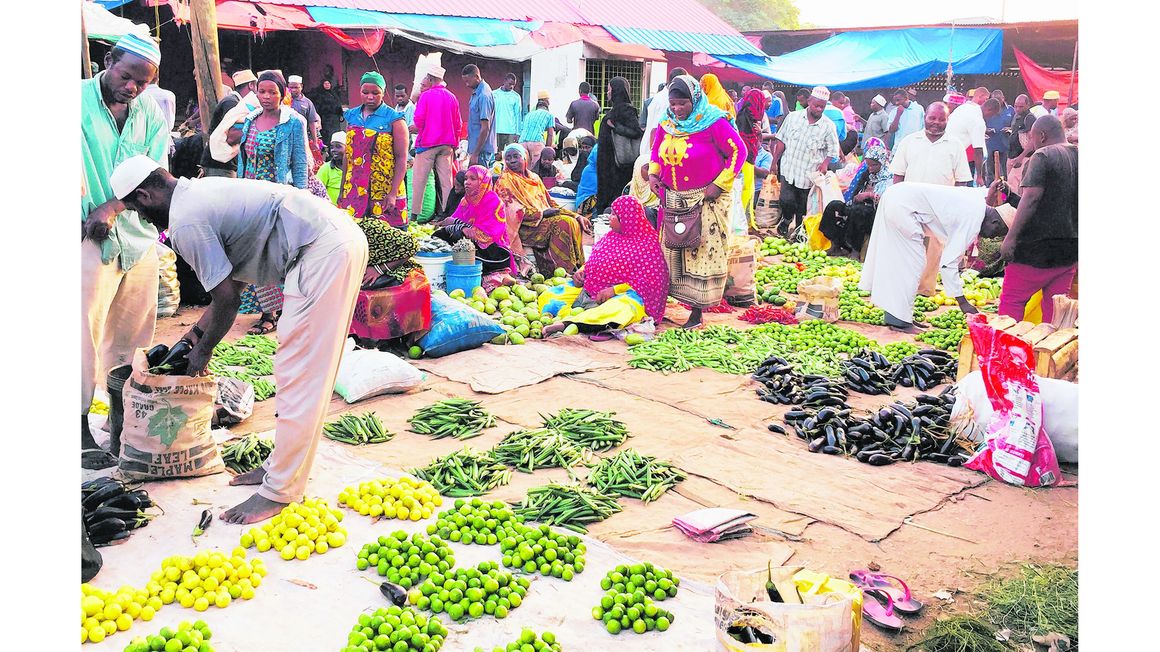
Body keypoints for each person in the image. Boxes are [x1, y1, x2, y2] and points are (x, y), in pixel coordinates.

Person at [109, 157, 367, 524]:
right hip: (328, 241)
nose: (143, 219)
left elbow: (227, 299)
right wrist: (194, 335)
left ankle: (280, 491)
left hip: (322, 251)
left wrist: (202, 351)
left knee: (301, 372)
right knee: (296, 370)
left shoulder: (185, 221)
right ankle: (279, 469)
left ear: (145, 195)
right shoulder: (198, 193)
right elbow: (231, 283)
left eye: (136, 209)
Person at [81, 33, 169, 470]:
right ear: (108, 60)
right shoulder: (74, 103)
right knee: (80, 332)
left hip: (136, 235)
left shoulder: (151, 112)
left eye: (143, 82)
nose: (132, 88)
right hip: (85, 236)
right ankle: (77, 427)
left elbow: (153, 172)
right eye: (126, 75)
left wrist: (114, 206)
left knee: (134, 338)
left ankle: (121, 421)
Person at [647, 75, 746, 329]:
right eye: (673, 104)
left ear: (695, 99)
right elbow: (656, 151)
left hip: (705, 199)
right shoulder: (667, 122)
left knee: (700, 254)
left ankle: (696, 312)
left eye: (683, 104)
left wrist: (719, 184)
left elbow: (738, 151)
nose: (677, 109)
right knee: (671, 253)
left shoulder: (713, 122)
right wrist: (653, 175)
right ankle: (663, 303)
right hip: (673, 198)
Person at [859, 182, 1010, 332]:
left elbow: (987, 193)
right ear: (995, 222)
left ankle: (899, 316)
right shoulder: (974, 219)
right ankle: (900, 321)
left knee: (903, 261)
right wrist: (963, 303)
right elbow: (948, 263)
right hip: (903, 205)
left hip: (899, 198)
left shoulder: (977, 202)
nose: (991, 237)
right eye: (996, 233)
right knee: (912, 262)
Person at [234, 71, 310, 336]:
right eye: (262, 92)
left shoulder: (292, 123)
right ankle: (267, 309)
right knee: (254, 253)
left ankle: (274, 313)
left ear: (282, 94)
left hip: (278, 198)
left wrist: (301, 199)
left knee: (276, 254)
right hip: (251, 198)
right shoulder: (251, 121)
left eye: (272, 92)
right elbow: (243, 160)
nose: (266, 97)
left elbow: (299, 163)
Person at [543, 196, 670, 338]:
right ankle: (578, 317)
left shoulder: (648, 245)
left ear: (627, 219)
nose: (610, 217)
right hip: (591, 291)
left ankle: (570, 323)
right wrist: (582, 271)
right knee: (549, 295)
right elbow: (595, 261)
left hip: (624, 297)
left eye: (615, 214)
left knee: (621, 310)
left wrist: (614, 290)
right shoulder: (611, 237)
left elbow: (650, 283)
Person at [995, 115, 1078, 324]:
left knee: (1012, 304)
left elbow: (1032, 199)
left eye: (1032, 137)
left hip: (1034, 250)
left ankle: (1006, 355)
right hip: (1068, 252)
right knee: (1056, 312)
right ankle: (1050, 353)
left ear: (1041, 135)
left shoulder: (1042, 156)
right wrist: (1009, 194)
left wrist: (1010, 239)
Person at [496, 143, 588, 275]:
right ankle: (559, 272)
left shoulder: (534, 178)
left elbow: (550, 203)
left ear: (525, 158)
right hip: (522, 227)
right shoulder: (505, 180)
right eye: (508, 157)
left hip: (541, 220)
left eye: (516, 156)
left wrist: (576, 216)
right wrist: (541, 213)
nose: (512, 160)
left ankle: (576, 269)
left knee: (573, 222)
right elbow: (510, 211)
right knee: (563, 223)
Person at [340, 71, 410, 227]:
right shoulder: (351, 116)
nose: (370, 97)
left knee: (387, 236)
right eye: (365, 92)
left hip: (384, 188)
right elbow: (348, 155)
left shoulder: (394, 119)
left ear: (383, 93)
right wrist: (342, 189)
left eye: (375, 93)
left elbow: (401, 158)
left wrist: (392, 193)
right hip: (355, 187)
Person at [770, 86, 840, 238]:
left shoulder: (828, 126)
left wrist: (825, 164)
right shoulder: (793, 118)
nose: (819, 109)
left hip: (809, 174)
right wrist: (774, 162)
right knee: (786, 200)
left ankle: (799, 233)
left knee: (803, 206)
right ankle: (787, 219)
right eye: (816, 105)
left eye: (822, 106)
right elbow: (781, 141)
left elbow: (833, 150)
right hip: (790, 168)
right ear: (809, 101)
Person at [434, 165, 519, 277]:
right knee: (439, 235)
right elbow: (451, 221)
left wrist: (460, 226)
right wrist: (457, 225)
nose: (467, 182)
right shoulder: (465, 201)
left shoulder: (493, 202)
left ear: (484, 181)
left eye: (473, 179)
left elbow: (487, 235)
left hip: (492, 251)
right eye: (466, 179)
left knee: (457, 235)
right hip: (469, 243)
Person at [819, 140, 892, 258]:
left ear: (882, 163)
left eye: (874, 165)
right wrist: (857, 198)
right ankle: (835, 246)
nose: (871, 168)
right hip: (858, 206)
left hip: (874, 213)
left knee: (859, 211)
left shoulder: (889, 177)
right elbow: (855, 193)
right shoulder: (866, 174)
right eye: (868, 165)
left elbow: (885, 200)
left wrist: (869, 195)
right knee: (834, 206)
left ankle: (855, 250)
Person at [411, 66, 462, 226]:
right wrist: (455, 144)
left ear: (431, 79)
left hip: (427, 143)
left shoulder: (425, 96)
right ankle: (447, 214)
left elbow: (419, 120)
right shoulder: (452, 97)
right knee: (447, 181)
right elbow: (458, 123)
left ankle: (414, 216)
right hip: (447, 145)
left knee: (420, 180)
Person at [594, 77, 645, 215]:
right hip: (608, 164)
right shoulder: (616, 109)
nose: (607, 92)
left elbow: (636, 131)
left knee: (615, 197)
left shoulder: (626, 110)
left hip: (617, 167)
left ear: (617, 91)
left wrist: (616, 127)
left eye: (610, 89)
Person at [890, 102, 972, 187]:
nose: (936, 122)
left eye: (942, 119)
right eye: (932, 118)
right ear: (925, 117)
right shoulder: (908, 142)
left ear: (948, 120)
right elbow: (898, 176)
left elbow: (961, 181)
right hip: (912, 199)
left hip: (942, 199)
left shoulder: (956, 145)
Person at [201, 69, 257, 178]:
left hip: (225, 162)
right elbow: (232, 135)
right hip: (220, 164)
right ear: (251, 85)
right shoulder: (232, 103)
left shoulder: (235, 102)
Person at [736, 88, 767, 224]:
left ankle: (746, 220)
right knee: (745, 189)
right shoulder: (745, 117)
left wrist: (759, 132)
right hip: (745, 158)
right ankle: (741, 222)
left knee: (749, 188)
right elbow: (744, 139)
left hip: (748, 158)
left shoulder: (750, 116)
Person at [641, 68, 687, 159]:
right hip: (652, 153)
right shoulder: (666, 100)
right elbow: (655, 130)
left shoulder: (661, 96)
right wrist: (655, 158)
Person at [944, 92, 988, 186]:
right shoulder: (976, 119)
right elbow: (978, 150)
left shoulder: (963, 109)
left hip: (964, 157)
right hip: (959, 158)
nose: (947, 106)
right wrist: (979, 177)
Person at [462, 64, 497, 167]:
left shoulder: (484, 95)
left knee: (479, 181)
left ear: (476, 77)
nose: (466, 85)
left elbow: (485, 128)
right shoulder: (476, 92)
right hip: (476, 147)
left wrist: (476, 153)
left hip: (481, 150)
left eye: (468, 81)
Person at [519, 91, 556, 170]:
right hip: (536, 142)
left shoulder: (528, 114)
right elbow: (550, 134)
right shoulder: (549, 115)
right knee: (536, 169)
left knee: (525, 169)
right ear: (546, 107)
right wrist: (548, 149)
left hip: (522, 142)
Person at [983, 97, 1013, 185]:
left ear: (1003, 98)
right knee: (990, 171)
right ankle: (990, 190)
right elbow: (980, 125)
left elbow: (1015, 126)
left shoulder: (1010, 110)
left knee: (1004, 170)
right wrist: (987, 130)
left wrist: (1009, 129)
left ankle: (1004, 191)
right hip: (990, 144)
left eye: (999, 101)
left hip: (1004, 145)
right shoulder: (987, 110)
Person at [287, 75, 321, 143]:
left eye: (296, 87)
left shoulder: (307, 103)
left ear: (301, 86)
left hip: (303, 138)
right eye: (291, 87)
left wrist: (315, 141)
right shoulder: (282, 101)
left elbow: (312, 123)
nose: (293, 90)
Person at [494, 73, 523, 151]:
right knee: (496, 154)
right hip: (496, 130)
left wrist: (518, 133)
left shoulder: (516, 97)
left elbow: (518, 116)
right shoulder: (494, 94)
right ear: (504, 81)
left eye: (513, 85)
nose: (511, 87)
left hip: (510, 132)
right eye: (510, 84)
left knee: (509, 153)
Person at [311, 77, 344, 143]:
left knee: (336, 134)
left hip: (335, 119)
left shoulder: (334, 93)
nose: (327, 85)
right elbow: (319, 107)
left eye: (328, 83)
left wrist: (341, 114)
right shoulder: (320, 95)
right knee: (328, 136)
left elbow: (338, 104)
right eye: (325, 84)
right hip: (326, 119)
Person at [316, 132, 346, 204]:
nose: (333, 150)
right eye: (332, 147)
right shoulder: (326, 168)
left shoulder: (354, 170)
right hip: (329, 212)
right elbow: (317, 191)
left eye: (338, 146)